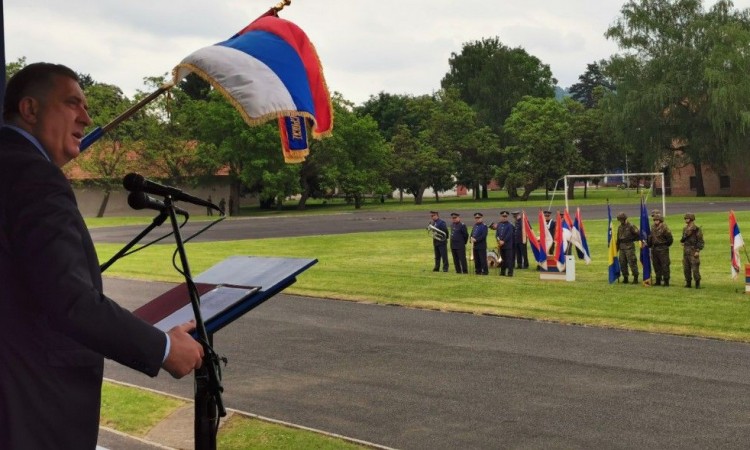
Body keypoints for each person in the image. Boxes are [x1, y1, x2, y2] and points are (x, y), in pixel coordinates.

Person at [0, 63, 204, 449]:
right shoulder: (34, 176)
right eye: (72, 103)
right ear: (30, 109)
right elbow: (69, 300)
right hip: (31, 405)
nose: (86, 118)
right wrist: (162, 348)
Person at [647, 212, 673, 286]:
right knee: (656, 265)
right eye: (655, 220)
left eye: (657, 220)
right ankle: (658, 280)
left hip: (663, 249)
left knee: (665, 265)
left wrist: (665, 245)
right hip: (654, 248)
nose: (656, 221)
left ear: (660, 220)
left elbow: (670, 239)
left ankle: (666, 281)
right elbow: (650, 237)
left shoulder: (665, 228)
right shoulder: (652, 227)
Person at [681, 212, 705, 288]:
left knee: (695, 268)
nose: (686, 220)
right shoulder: (685, 229)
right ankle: (688, 283)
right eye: (685, 218)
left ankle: (697, 283)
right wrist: (683, 242)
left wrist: (697, 251)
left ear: (691, 219)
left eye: (687, 218)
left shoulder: (696, 229)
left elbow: (700, 241)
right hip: (686, 250)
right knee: (686, 268)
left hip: (693, 250)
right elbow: (683, 239)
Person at [616, 212, 640, 284]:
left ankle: (635, 278)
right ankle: (625, 277)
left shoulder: (631, 226)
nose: (621, 221)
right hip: (622, 247)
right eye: (619, 220)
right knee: (622, 263)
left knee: (632, 262)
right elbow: (618, 238)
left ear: (625, 219)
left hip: (629, 247)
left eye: (621, 220)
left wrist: (633, 239)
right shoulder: (620, 227)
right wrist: (616, 248)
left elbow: (638, 234)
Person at [495, 211, 515, 276]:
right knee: (502, 259)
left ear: (507, 217)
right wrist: (499, 240)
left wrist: (503, 241)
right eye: (503, 216)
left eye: (505, 216)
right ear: (501, 217)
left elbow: (509, 234)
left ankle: (510, 272)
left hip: (507, 245)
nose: (504, 218)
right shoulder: (499, 224)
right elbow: (497, 234)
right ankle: (502, 272)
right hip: (501, 245)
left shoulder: (510, 225)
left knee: (509, 259)